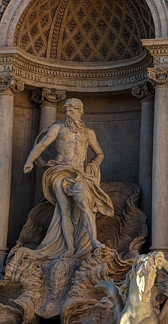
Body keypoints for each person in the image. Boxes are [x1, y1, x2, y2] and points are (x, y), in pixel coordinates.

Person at [22, 98, 114, 259]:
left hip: (80, 174)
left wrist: (92, 166)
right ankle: (69, 248)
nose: (68, 113)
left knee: (84, 204)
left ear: (80, 111)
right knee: (64, 211)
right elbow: (42, 145)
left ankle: (93, 240)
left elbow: (99, 153)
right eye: (67, 110)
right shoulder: (58, 128)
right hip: (60, 172)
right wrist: (30, 160)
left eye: (72, 110)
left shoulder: (88, 133)